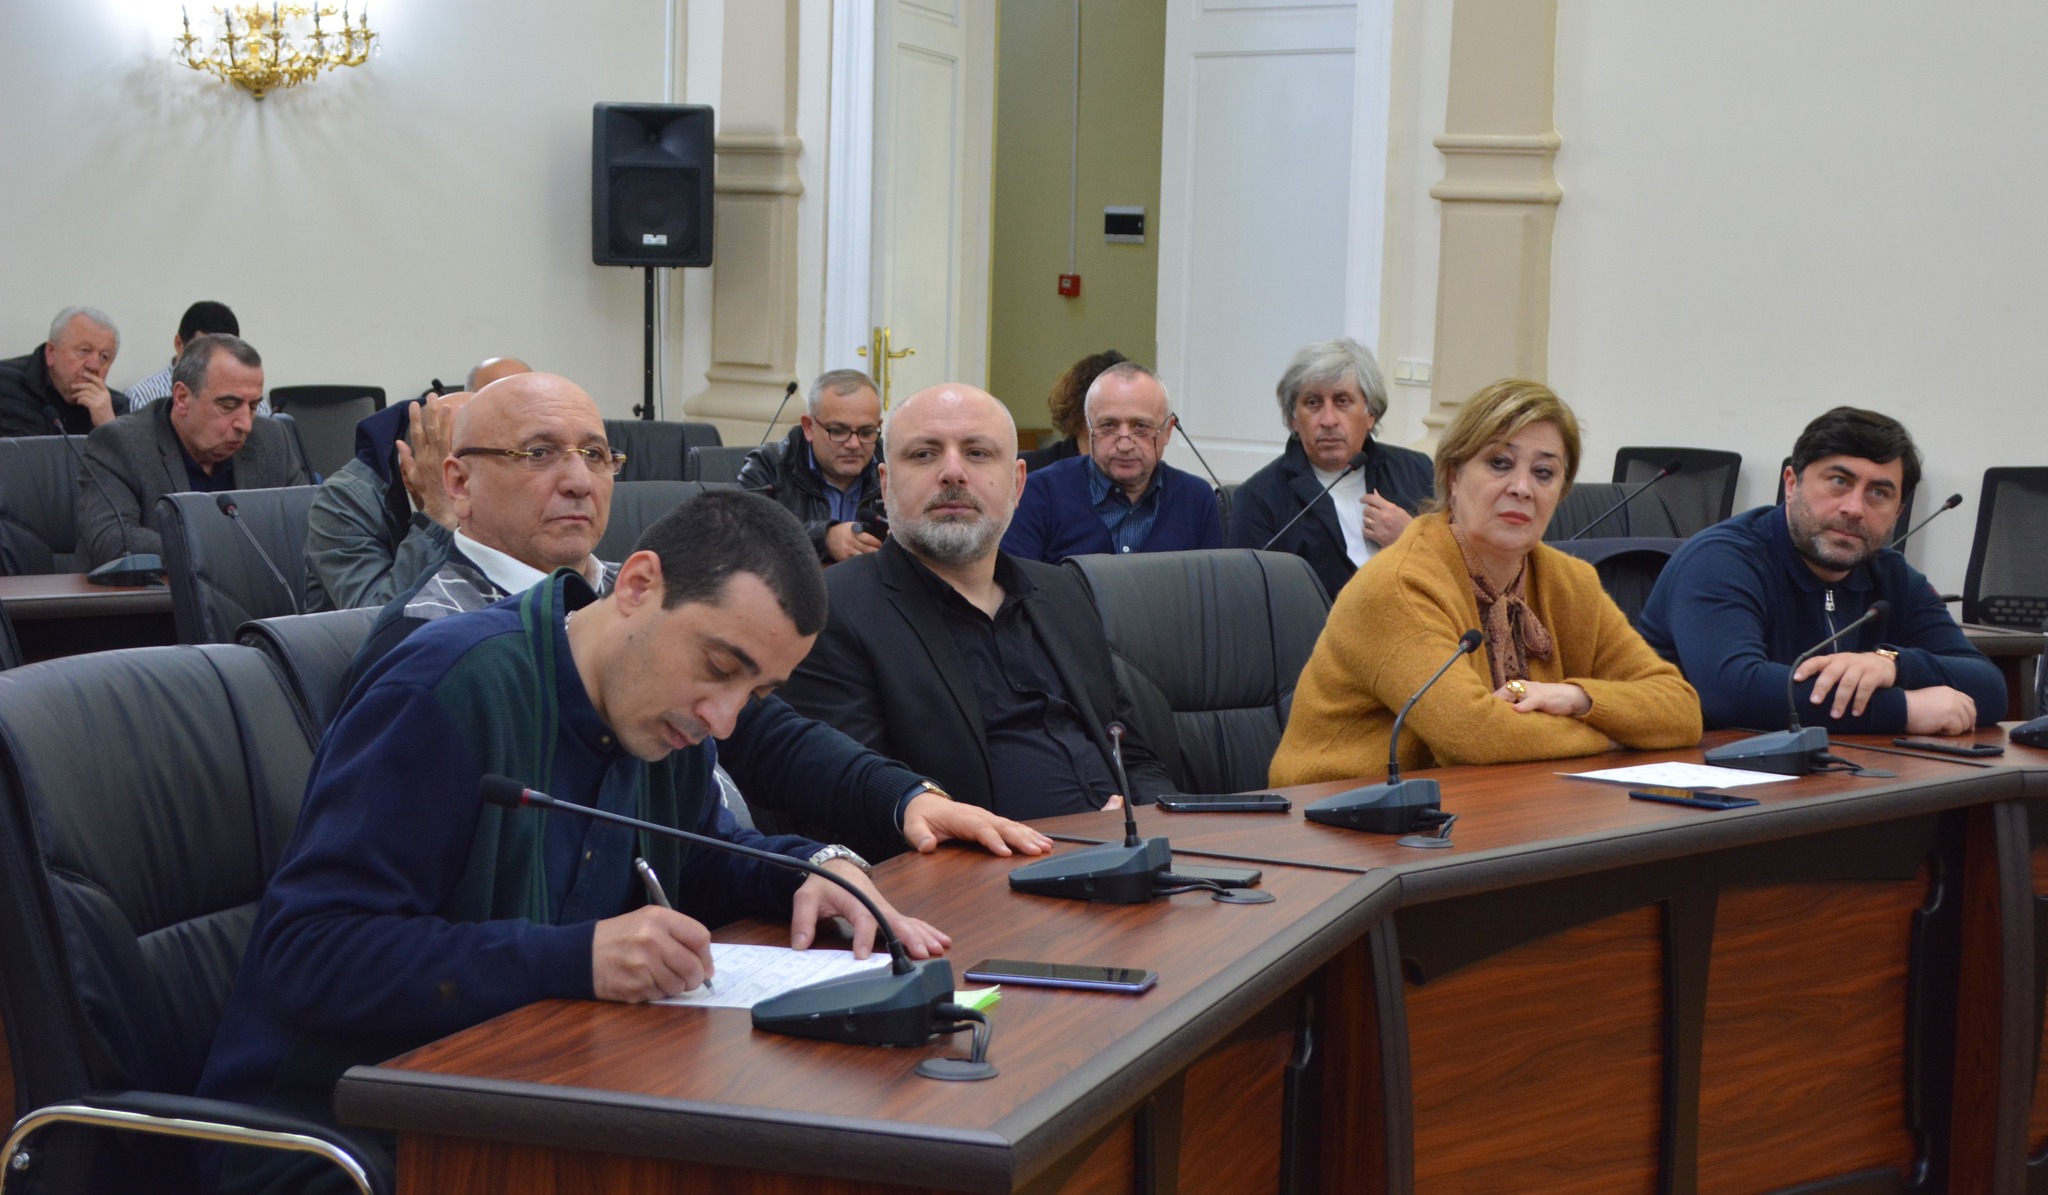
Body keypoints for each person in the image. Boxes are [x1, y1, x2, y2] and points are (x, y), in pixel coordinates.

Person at [198, 491, 951, 1192]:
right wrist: (574, 958)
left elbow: (690, 851)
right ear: (638, 586)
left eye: (754, 694)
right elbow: (309, 951)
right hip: (341, 1138)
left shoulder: (662, 712)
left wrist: (814, 869)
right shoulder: (446, 689)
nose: (722, 719)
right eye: (720, 667)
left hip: (529, 1101)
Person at [348, 372, 1050, 867]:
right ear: (458, 482)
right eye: (538, 454)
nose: (579, 480)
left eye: (596, 455)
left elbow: (768, 738)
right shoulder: (430, 643)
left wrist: (901, 798)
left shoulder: (630, 586)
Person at [1269, 379, 1701, 786]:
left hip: (1486, 802)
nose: (1522, 488)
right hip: (1338, 813)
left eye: (1544, 473)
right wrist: (1613, 736)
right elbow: (1473, 735)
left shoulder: (1571, 582)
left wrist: (1579, 698)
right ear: (1453, 477)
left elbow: (1680, 708)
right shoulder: (1399, 585)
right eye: (1500, 463)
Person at [779, 382, 1175, 825]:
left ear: (1018, 483)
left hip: (1129, 847)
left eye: (978, 453)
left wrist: (1157, 825)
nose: (953, 473)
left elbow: (1131, 752)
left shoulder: (1063, 591)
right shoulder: (834, 609)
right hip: (979, 861)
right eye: (924, 454)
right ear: (886, 485)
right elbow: (855, 804)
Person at [1639, 407, 2003, 735]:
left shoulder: (1891, 575)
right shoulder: (1720, 559)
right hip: (1697, 773)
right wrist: (1904, 709)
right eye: (1839, 481)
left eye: (1878, 493)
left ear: (1897, 511)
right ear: (1792, 484)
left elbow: (1991, 687)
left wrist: (1893, 665)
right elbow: (1735, 692)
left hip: (1823, 771)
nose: (1854, 508)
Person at [303, 356, 533, 612]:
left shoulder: (501, 474)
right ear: (408, 473)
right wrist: (437, 515)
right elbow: (378, 619)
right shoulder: (342, 502)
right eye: (458, 477)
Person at [76, 334, 307, 569]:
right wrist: (223, 552)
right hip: (155, 592)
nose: (245, 424)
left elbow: (307, 528)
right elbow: (114, 542)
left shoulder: (271, 439)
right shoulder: (120, 444)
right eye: (229, 406)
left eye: (253, 406)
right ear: (182, 398)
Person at [1228, 338, 1434, 600]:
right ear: (1293, 419)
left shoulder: (1417, 471)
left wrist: (1410, 539)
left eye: (1342, 401)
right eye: (1313, 403)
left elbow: (1461, 565)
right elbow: (1247, 600)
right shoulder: (1259, 498)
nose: (1328, 420)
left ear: (1370, 414)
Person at [1000, 363, 1223, 563]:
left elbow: (1210, 591)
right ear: (1088, 428)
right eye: (1108, 425)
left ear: (1168, 430)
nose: (1124, 445)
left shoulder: (1197, 499)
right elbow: (1018, 590)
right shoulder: (1039, 493)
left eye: (1140, 426)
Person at [737, 369, 886, 564]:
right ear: (808, 427)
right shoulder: (768, 465)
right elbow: (744, 537)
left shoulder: (895, 466)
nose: (854, 444)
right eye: (838, 431)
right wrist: (824, 538)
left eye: (866, 432)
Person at [0, 306, 128, 437]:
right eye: (84, 350)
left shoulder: (115, 407)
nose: (94, 366)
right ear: (51, 352)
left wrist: (108, 427)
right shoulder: (4, 382)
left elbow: (125, 450)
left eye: (104, 357)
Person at [1020, 348, 1126, 472]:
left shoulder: (1140, 470)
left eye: (1138, 424)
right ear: (1079, 414)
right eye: (1109, 422)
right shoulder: (1033, 470)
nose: (1125, 433)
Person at [124, 300, 240, 408]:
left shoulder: (243, 397)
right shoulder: (142, 397)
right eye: (204, 352)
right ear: (179, 344)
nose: (212, 363)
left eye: (224, 355)